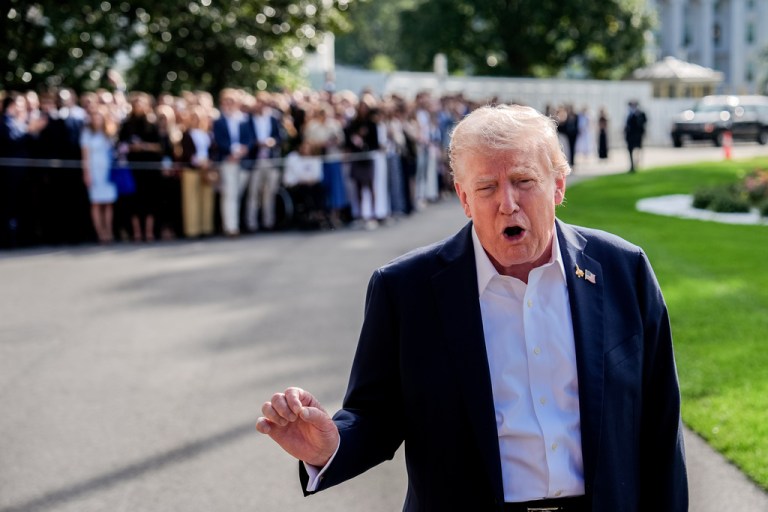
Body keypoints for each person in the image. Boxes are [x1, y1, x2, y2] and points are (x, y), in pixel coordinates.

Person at [256, 104, 688, 511]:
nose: (507, 203)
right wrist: (329, 448)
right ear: (463, 199)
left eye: (523, 180)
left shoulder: (621, 270)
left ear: (558, 185)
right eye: (486, 188)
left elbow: (660, 421)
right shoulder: (406, 289)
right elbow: (375, 415)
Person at [624, 100, 647, 173]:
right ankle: (632, 165)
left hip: (637, 135)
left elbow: (643, 122)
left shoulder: (640, 113)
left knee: (638, 149)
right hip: (630, 136)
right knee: (630, 150)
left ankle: (637, 162)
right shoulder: (628, 114)